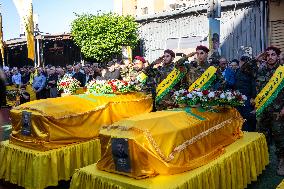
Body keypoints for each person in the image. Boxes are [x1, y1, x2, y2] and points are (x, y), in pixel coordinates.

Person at [254, 46, 284, 175]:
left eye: (273, 54)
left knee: (280, 138)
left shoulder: (282, 71)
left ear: (278, 56)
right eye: (268, 55)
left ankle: (282, 163)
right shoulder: (261, 70)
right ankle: (262, 161)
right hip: (263, 110)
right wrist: (258, 57)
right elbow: (244, 70)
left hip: (277, 111)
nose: (270, 57)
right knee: (262, 136)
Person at [234, 56, 257, 131]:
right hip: (238, 97)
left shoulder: (250, 72)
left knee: (248, 117)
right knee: (240, 116)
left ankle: (249, 133)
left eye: (244, 62)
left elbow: (253, 85)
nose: (242, 64)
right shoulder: (238, 71)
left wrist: (253, 97)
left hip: (247, 98)